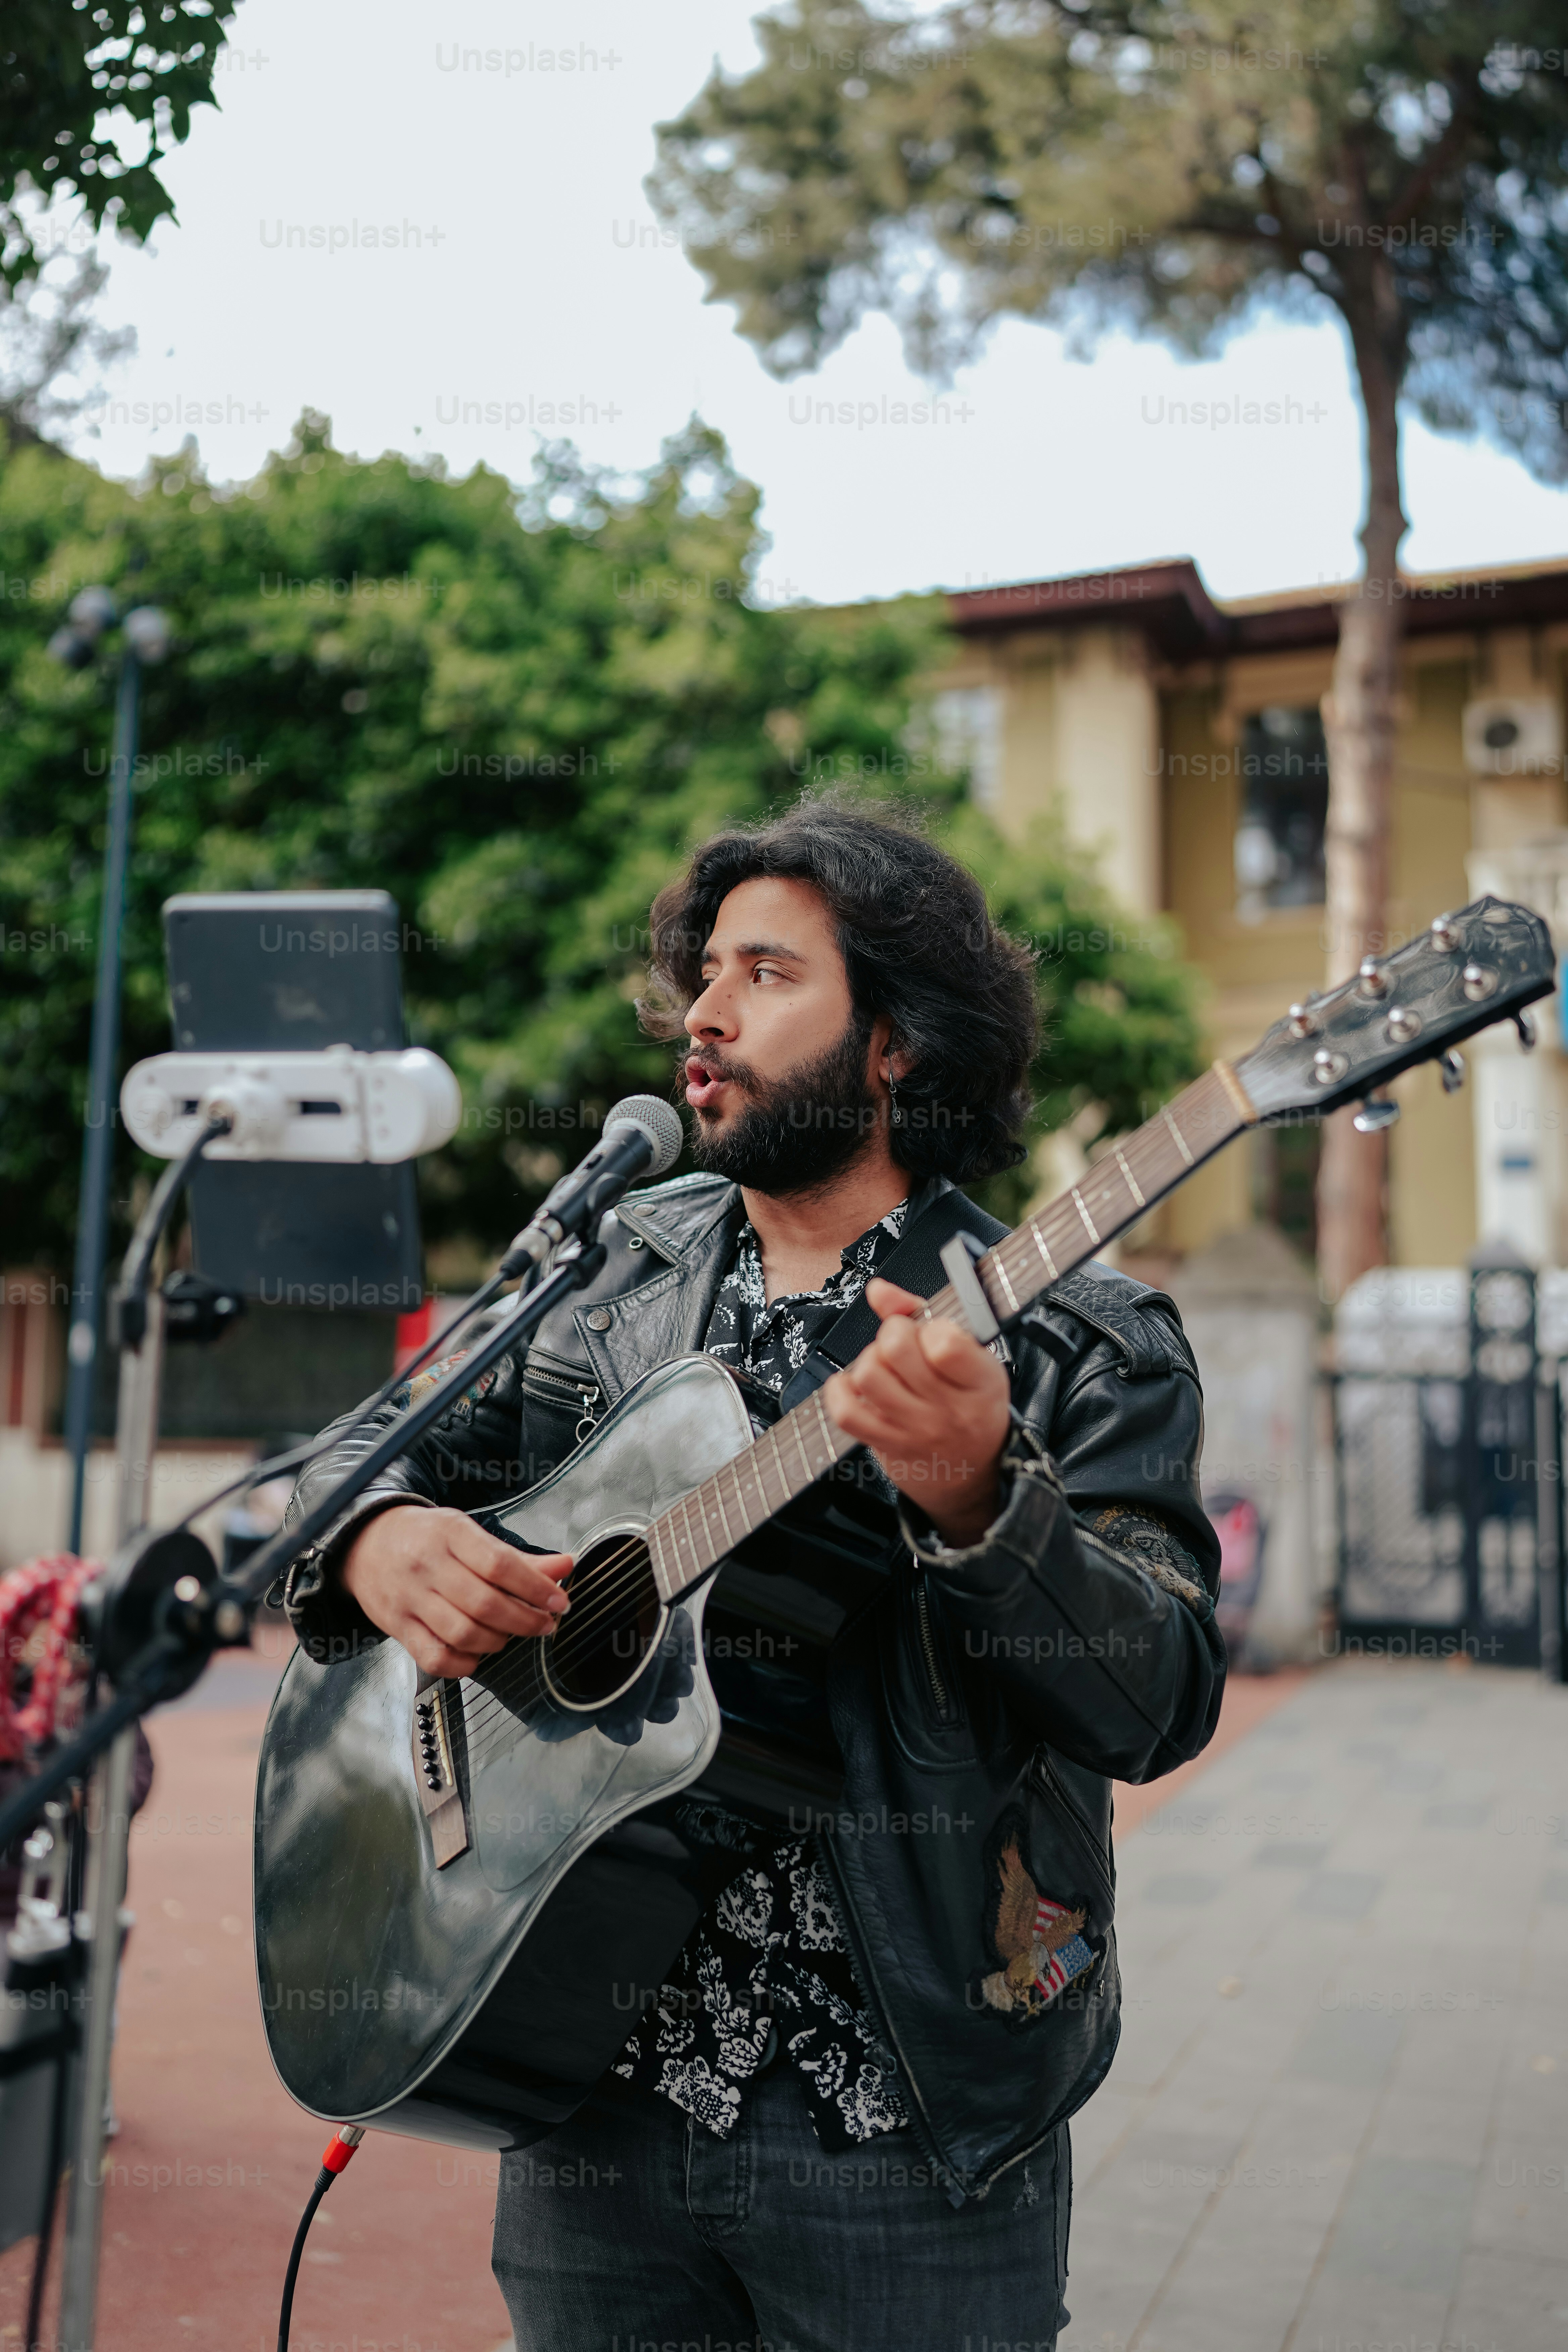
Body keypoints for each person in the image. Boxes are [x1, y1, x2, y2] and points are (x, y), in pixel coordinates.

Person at [281, 797, 1225, 2352]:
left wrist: (991, 1506)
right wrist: (383, 1542)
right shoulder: (605, 1281)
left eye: (768, 975)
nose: (702, 1016)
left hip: (903, 2127)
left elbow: (1158, 1700)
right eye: (705, 974)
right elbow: (343, 1461)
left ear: (897, 1047)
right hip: (584, 2084)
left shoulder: (1070, 1334)